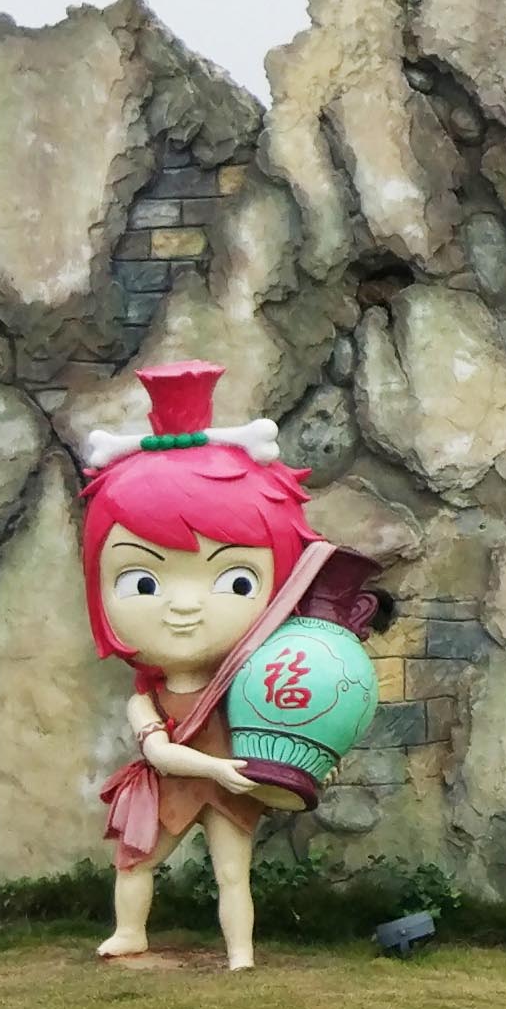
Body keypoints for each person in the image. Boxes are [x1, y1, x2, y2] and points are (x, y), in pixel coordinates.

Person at [76, 361, 368, 973]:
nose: (183, 606)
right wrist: (219, 768)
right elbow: (159, 754)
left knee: (234, 872)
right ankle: (129, 932)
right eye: (142, 580)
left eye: (237, 580)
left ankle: (240, 954)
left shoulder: (249, 678)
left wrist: (316, 749)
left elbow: (293, 712)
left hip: (236, 775)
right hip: (190, 779)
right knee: (137, 860)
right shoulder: (147, 698)